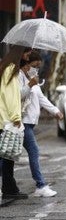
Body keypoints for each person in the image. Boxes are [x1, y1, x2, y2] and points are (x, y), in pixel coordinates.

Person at [19, 50, 62, 197]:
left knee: (8, 157)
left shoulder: (33, 79)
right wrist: (30, 85)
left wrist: (55, 111)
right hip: (21, 122)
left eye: (38, 66)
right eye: (34, 65)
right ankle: (41, 185)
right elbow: (17, 96)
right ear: (26, 64)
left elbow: (42, 99)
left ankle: (39, 185)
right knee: (34, 151)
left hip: (29, 123)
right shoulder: (19, 76)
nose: (36, 69)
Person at [0, 44, 29, 199]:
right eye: (27, 54)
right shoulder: (11, 69)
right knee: (7, 155)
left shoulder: (5, 67)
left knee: (7, 156)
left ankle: (9, 187)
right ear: (20, 53)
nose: (28, 57)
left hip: (3, 117)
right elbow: (11, 96)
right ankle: (9, 189)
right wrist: (16, 117)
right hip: (7, 119)